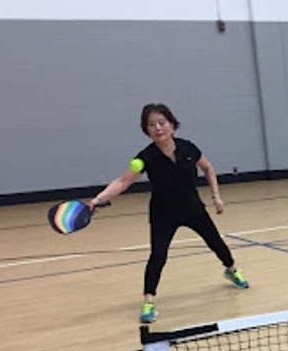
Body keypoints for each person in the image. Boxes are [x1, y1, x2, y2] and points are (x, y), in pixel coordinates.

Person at [90, 104, 248, 323]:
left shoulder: (188, 148)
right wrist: (99, 199)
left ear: (172, 125)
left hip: (193, 208)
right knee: (158, 256)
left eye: (162, 123)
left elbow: (208, 168)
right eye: (151, 125)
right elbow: (122, 181)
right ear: (146, 130)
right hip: (163, 213)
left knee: (216, 242)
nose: (158, 128)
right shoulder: (145, 158)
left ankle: (231, 270)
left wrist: (215, 196)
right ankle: (148, 302)